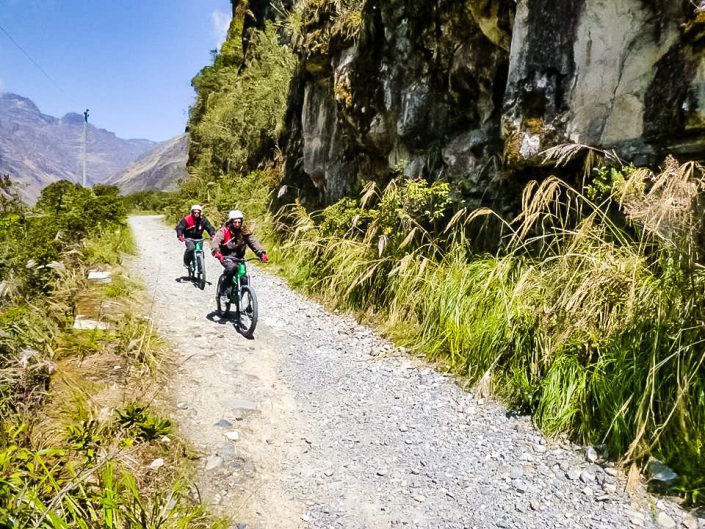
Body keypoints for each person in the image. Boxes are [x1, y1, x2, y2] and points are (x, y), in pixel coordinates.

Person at [211, 209, 268, 298]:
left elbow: (253, 242)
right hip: (226, 257)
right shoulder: (224, 231)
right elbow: (216, 241)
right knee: (231, 268)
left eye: (239, 222)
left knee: (244, 279)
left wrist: (261, 254)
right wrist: (216, 252)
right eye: (235, 222)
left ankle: (240, 299)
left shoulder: (244, 231)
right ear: (231, 222)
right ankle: (223, 291)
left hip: (240, 258)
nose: (237, 224)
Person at [175, 205, 216, 269]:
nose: (196, 214)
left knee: (201, 251)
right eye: (194, 212)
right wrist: (180, 235)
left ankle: (201, 268)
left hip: (199, 238)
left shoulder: (203, 220)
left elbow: (209, 227)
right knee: (191, 248)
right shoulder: (187, 219)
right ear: (192, 212)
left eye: (198, 212)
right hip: (188, 238)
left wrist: (212, 234)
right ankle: (186, 262)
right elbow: (180, 227)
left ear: (200, 213)